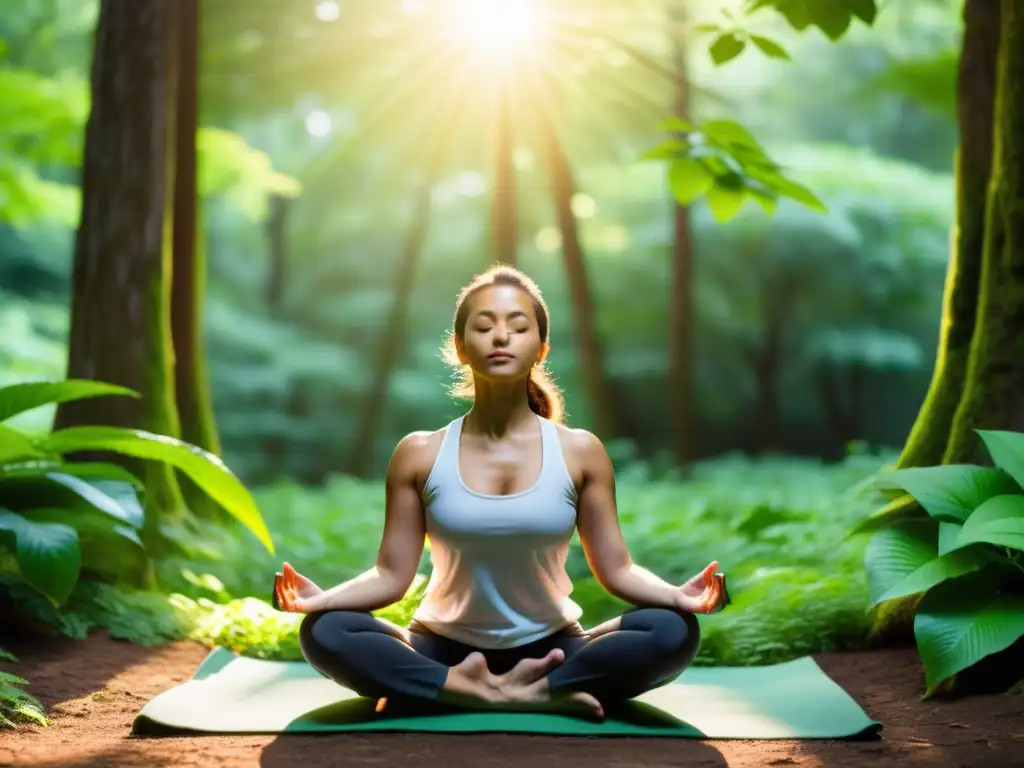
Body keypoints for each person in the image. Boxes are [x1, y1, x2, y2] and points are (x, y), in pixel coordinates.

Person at [273, 265, 728, 720]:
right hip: (441, 651)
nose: (501, 337)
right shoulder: (418, 453)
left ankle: (463, 692)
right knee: (326, 630)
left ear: (541, 349)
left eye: (518, 326)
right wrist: (325, 600)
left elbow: (618, 569)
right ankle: (495, 691)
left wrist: (675, 595)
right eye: (484, 326)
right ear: (460, 347)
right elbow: (391, 576)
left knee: (671, 630)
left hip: (552, 652)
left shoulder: (580, 452)